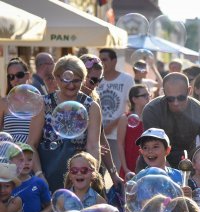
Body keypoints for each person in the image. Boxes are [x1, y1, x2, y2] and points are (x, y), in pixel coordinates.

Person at [28, 54, 102, 193]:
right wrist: (39, 175)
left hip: (79, 177)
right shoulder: (44, 103)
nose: (71, 85)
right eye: (66, 80)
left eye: (77, 80)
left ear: (83, 79)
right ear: (56, 78)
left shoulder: (91, 107)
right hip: (47, 173)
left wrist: (91, 177)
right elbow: (32, 143)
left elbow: (93, 146)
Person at [142, 72, 200, 168]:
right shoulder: (152, 110)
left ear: (189, 91)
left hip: (187, 164)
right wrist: (172, 176)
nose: (176, 103)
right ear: (164, 92)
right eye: (170, 99)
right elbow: (153, 150)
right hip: (153, 163)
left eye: (181, 98)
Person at [79, 53, 123, 186]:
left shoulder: (94, 100)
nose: (96, 85)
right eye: (93, 80)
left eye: (99, 80)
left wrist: (113, 173)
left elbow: (102, 138)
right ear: (81, 76)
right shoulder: (65, 99)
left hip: (91, 163)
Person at [97, 48, 135, 172]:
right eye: (99, 60)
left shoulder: (126, 79)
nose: (102, 63)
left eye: (105, 60)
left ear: (114, 61)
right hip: (97, 135)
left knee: (118, 170)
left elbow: (131, 107)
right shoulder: (97, 80)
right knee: (97, 172)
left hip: (117, 134)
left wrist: (112, 125)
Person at [117, 84, 150, 179]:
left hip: (146, 164)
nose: (148, 97)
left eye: (149, 95)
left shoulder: (150, 117)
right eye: (144, 95)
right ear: (134, 99)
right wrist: (125, 168)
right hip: (129, 164)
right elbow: (120, 144)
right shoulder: (125, 118)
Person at [1, 57, 31, 143]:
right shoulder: (3, 102)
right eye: (11, 76)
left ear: (27, 75)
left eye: (19, 75)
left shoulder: (38, 100)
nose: (16, 79)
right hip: (8, 152)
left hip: (30, 152)